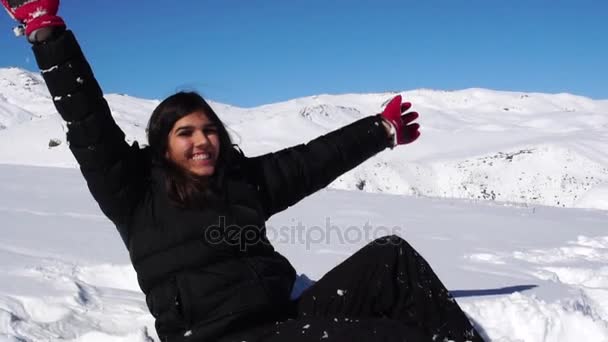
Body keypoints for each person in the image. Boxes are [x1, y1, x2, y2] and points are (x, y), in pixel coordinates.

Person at [1, 1, 484, 341]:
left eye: (209, 129)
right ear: (163, 145)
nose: (201, 140)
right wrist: (46, 32)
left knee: (391, 259)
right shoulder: (133, 194)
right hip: (221, 336)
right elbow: (88, 121)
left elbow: (312, 161)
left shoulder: (242, 183)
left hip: (282, 318)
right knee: (386, 336)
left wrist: (380, 130)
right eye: (185, 132)